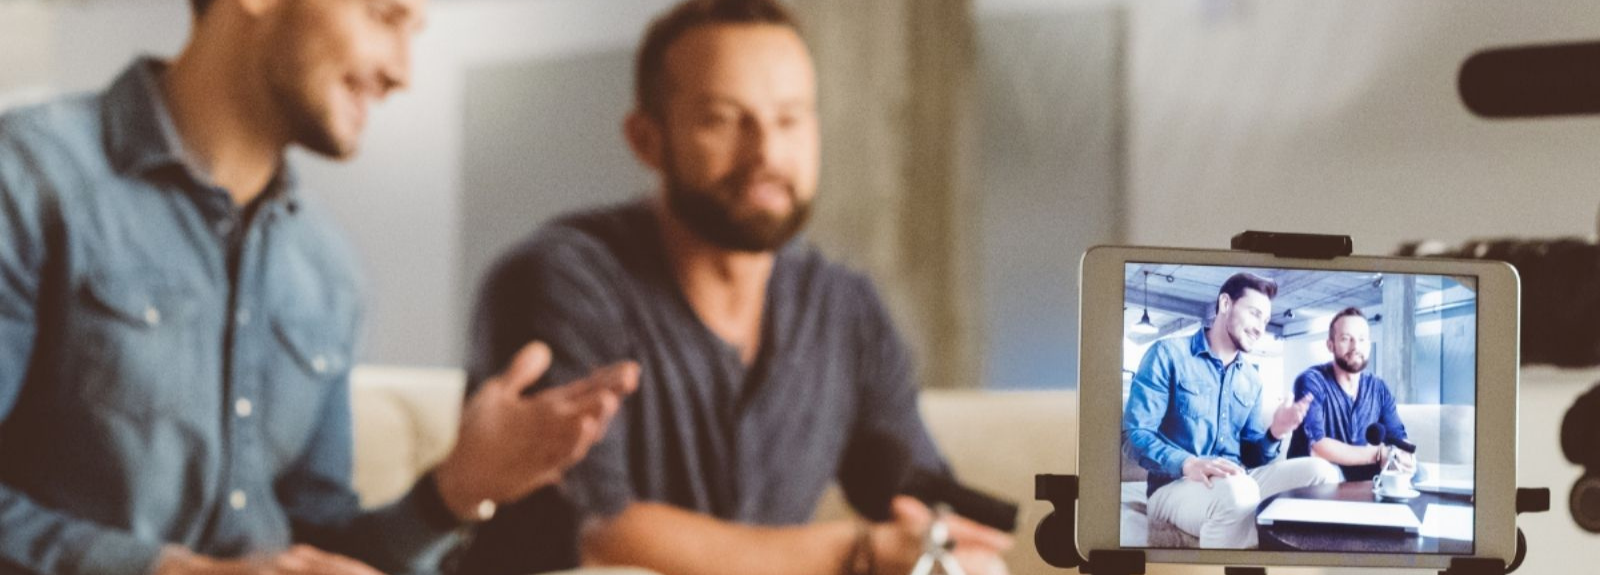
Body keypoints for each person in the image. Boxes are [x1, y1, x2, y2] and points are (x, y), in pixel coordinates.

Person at [0, 1, 637, 574]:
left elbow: (319, 540)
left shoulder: (330, 272)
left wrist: (454, 492)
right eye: (385, 17)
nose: (404, 72)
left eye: (416, 31)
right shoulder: (28, 179)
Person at [458, 0, 1014, 573]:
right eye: (722, 119)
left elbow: (923, 511)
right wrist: (856, 552)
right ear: (647, 139)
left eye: (790, 119)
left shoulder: (845, 310)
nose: (767, 154)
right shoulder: (560, 281)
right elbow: (598, 536)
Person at [1123, 272, 1342, 549]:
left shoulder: (1251, 379)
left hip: (1237, 480)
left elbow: (1252, 456)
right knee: (1239, 492)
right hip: (1175, 486)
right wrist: (1187, 463)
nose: (1260, 328)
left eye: (1265, 320)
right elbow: (1134, 435)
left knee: (1323, 473)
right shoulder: (1168, 354)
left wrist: (1275, 433)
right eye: (1254, 314)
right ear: (1225, 304)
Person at [1288, 307, 1414, 482]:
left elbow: (1398, 436)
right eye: (1346, 339)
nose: (1355, 347)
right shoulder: (1312, 381)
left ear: (1369, 344)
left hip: (1361, 472)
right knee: (1327, 473)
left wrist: (1402, 455)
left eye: (1362, 339)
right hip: (1318, 474)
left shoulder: (1378, 388)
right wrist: (1377, 454)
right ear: (1330, 345)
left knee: (1417, 472)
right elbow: (1317, 447)